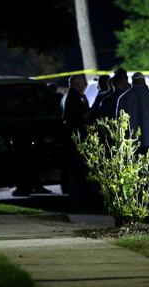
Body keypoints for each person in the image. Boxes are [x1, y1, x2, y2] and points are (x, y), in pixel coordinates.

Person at [60, 74, 95, 209]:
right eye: (82, 82)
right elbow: (83, 116)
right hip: (77, 138)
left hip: (71, 138)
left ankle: (77, 199)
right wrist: (95, 109)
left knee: (74, 171)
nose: (84, 84)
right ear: (76, 83)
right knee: (82, 169)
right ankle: (85, 200)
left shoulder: (66, 97)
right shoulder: (75, 97)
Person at [117, 72, 149, 151]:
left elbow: (119, 120)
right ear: (144, 81)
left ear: (132, 82)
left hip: (131, 141)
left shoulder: (124, 97)